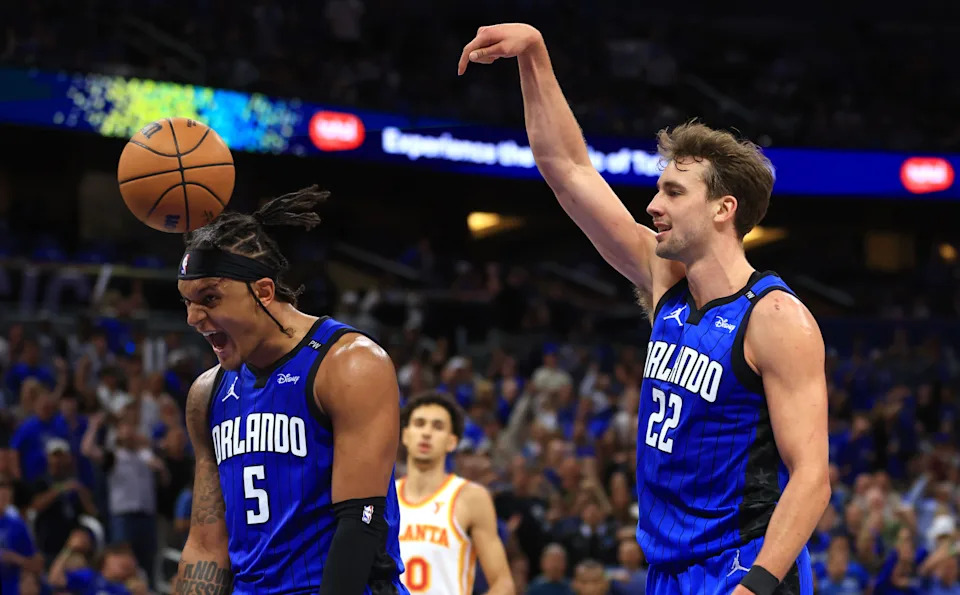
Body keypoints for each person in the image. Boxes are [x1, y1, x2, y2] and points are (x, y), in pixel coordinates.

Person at [459, 25, 830, 595]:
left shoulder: (776, 318)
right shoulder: (666, 284)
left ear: (723, 209)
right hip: (666, 569)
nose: (654, 205)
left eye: (674, 192)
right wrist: (534, 53)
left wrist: (754, 586)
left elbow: (812, 477)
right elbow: (567, 168)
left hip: (740, 567)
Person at [173, 187, 408, 594]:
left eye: (210, 298)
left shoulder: (349, 363)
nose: (194, 317)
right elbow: (206, 545)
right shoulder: (207, 394)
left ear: (263, 292)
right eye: (187, 302)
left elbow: (360, 524)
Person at [396, 392, 514, 594]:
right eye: (419, 424)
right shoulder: (385, 497)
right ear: (405, 435)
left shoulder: (470, 497)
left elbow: (503, 584)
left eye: (437, 426)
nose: (426, 433)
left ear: (452, 441)